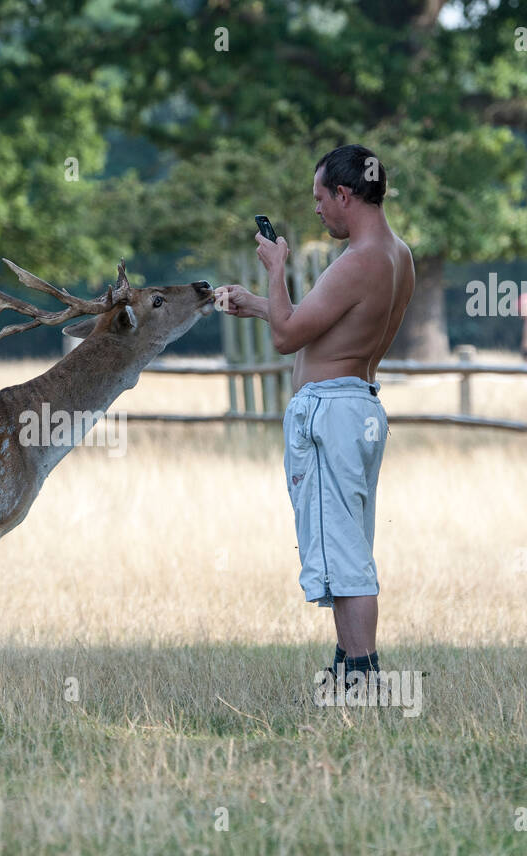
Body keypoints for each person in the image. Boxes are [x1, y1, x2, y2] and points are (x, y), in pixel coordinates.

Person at [215, 144, 413, 690]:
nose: (318, 210)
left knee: (343, 558)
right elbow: (320, 326)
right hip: (361, 407)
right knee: (347, 546)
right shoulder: (397, 256)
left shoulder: (356, 262)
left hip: (329, 415)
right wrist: (258, 301)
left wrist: (277, 270)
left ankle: (362, 684)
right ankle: (347, 674)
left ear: (344, 195)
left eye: (320, 198)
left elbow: (286, 339)